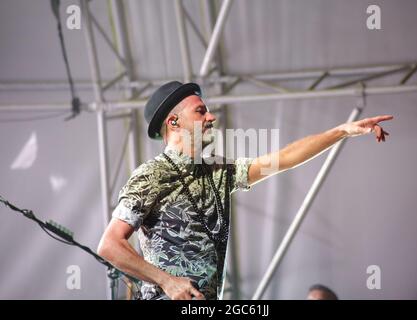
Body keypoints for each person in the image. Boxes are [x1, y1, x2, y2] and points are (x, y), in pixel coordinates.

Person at [97, 81, 392, 300]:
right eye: (201, 111)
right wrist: (167, 281)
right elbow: (109, 246)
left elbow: (284, 159)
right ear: (173, 122)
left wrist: (341, 131)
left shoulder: (220, 174)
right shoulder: (151, 175)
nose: (211, 117)